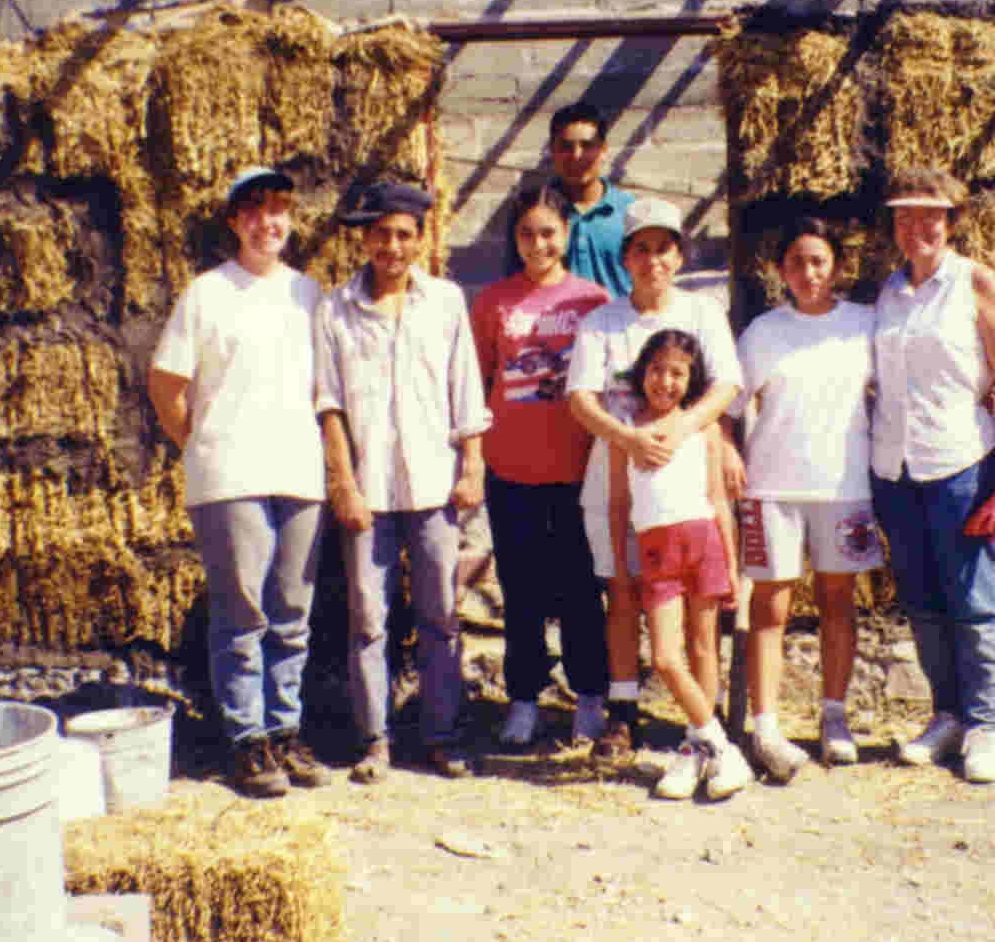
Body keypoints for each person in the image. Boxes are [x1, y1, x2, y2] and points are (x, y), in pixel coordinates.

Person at [147, 165, 331, 799]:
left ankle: (286, 731)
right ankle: (246, 740)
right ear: (234, 222)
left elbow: (325, 390)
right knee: (242, 614)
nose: (268, 222)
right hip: (230, 475)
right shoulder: (206, 294)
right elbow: (166, 383)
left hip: (300, 473)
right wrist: (201, 444)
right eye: (254, 211)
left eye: (279, 209)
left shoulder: (309, 294)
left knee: (293, 615)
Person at [316, 178, 492, 783]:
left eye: (404, 235)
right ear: (366, 239)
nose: (392, 246)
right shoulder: (334, 309)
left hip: (435, 488)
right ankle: (375, 742)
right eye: (382, 234)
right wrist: (343, 483)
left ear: (420, 242)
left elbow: (466, 388)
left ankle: (442, 736)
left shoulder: (444, 302)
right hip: (370, 490)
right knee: (369, 619)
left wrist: (472, 466)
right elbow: (330, 405)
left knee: (441, 615)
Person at [567, 196, 744, 760]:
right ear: (625, 257)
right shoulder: (603, 321)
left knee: (697, 611)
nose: (652, 260)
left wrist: (682, 430)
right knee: (622, 591)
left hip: (686, 485)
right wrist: (630, 440)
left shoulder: (702, 313)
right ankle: (623, 713)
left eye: (663, 248)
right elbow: (580, 399)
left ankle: (702, 723)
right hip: (618, 477)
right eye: (640, 248)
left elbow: (726, 386)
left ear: (680, 255)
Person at [871, 165, 995, 785]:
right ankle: (948, 716)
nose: (917, 228)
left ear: (952, 220)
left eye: (929, 215)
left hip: (960, 462)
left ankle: (987, 725)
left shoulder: (976, 283)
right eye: (904, 217)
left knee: (974, 600)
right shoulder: (888, 293)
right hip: (895, 468)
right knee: (923, 601)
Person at [732, 215, 880, 783]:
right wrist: (729, 460)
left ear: (838, 267)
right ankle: (765, 724)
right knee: (770, 606)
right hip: (773, 487)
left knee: (837, 601)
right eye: (796, 262)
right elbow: (728, 406)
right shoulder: (763, 332)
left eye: (819, 261)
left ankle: (834, 716)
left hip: (844, 488)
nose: (809, 272)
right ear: (780, 270)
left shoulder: (863, 325)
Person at [470, 184, 612, 748]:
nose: (538, 243)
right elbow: (477, 385)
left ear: (567, 235)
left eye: (549, 232)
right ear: (514, 238)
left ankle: (589, 699)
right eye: (526, 233)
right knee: (521, 591)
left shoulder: (593, 302)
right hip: (512, 471)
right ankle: (524, 699)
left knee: (581, 591)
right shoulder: (493, 303)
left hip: (577, 471)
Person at [609, 330, 752, 800]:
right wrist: (620, 569)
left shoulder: (703, 428)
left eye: (677, 373)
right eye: (656, 370)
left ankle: (696, 749)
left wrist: (732, 566)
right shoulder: (626, 432)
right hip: (655, 553)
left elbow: (717, 500)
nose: (664, 381)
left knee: (703, 648)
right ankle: (721, 746)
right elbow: (617, 505)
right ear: (641, 373)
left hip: (703, 542)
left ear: (691, 381)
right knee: (666, 657)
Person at [506, 102, 634, 299]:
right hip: (553, 326)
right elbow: (514, 283)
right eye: (566, 146)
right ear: (552, 151)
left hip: (617, 326)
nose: (576, 156)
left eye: (587, 145)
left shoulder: (629, 212)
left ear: (603, 150)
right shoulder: (532, 214)